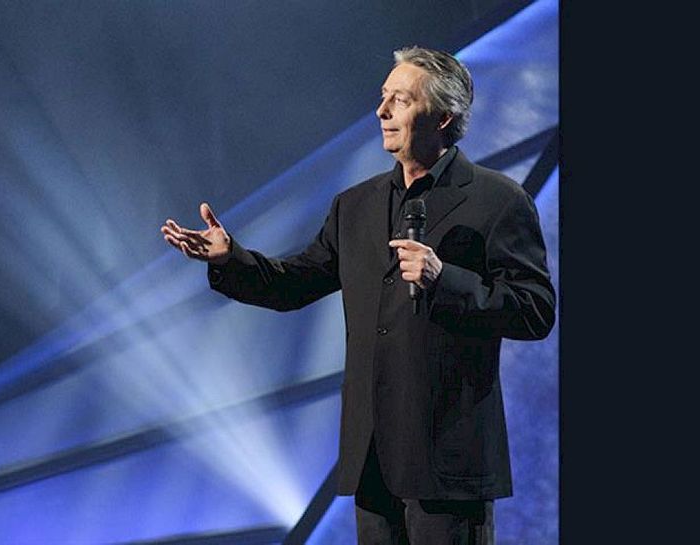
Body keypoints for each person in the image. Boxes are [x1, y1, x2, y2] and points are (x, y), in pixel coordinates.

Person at [160, 46, 555, 545]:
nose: (382, 111)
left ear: (443, 117)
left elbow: (535, 310)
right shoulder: (356, 206)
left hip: (447, 469)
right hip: (372, 463)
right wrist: (228, 259)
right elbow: (293, 284)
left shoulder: (497, 200)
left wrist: (444, 279)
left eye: (401, 100)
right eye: (383, 97)